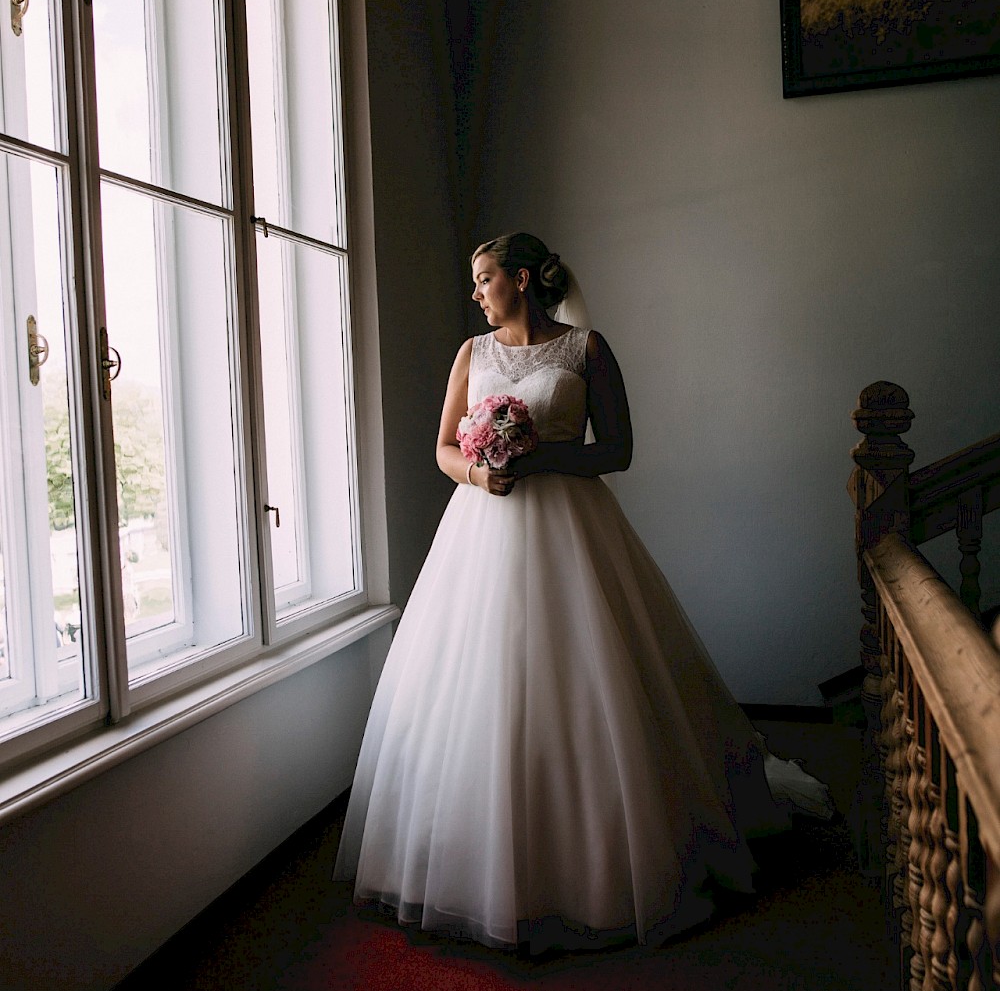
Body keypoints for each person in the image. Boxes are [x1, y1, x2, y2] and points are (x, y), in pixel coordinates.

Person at [334, 232, 831, 952]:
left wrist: (541, 457)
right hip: (481, 530)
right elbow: (443, 446)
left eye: (484, 278)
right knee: (478, 684)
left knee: (591, 674)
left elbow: (618, 450)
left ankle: (607, 865)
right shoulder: (471, 354)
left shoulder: (587, 350)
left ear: (524, 278)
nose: (474, 293)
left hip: (573, 524)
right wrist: (481, 472)